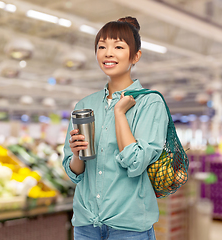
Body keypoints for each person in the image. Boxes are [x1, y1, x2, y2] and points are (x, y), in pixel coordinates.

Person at [62, 16, 169, 240]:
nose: (108, 53)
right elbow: (75, 173)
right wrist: (76, 154)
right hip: (86, 223)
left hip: (128, 225)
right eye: (102, 46)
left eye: (118, 46)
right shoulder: (85, 105)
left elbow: (136, 163)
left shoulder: (150, 103)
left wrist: (119, 114)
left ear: (135, 56)